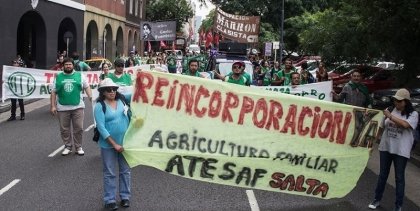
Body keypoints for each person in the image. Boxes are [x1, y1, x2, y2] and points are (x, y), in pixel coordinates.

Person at [368, 88, 418, 211]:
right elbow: (380, 127)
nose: (396, 103)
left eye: (400, 101)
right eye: (395, 100)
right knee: (382, 175)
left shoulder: (413, 114)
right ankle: (376, 200)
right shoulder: (390, 110)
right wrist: (373, 142)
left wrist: (390, 116)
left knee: (399, 178)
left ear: (406, 101)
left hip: (401, 151)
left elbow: (405, 125)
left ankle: (398, 206)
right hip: (386, 148)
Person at [94, 78, 131, 210]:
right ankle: (109, 200)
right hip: (108, 146)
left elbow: (139, 94)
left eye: (114, 89)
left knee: (125, 171)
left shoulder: (122, 100)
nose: (112, 92)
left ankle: (125, 197)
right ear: (103, 92)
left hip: (125, 144)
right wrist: (114, 144)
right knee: (109, 173)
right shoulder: (100, 106)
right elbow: (101, 128)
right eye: (108, 89)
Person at [50, 57, 93, 156]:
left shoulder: (80, 75)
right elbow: (53, 92)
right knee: (64, 129)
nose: (68, 66)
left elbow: (87, 87)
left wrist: (90, 96)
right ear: (63, 66)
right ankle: (68, 146)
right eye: (66, 64)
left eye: (70, 64)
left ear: (73, 65)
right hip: (62, 107)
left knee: (78, 128)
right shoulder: (58, 77)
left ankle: (78, 147)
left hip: (78, 107)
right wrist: (53, 106)